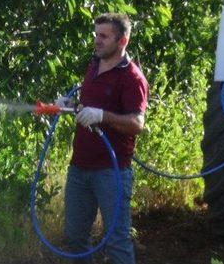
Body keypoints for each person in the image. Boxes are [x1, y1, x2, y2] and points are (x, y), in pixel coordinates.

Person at [60, 13, 148, 264]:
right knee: (75, 237)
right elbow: (86, 106)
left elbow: (137, 124)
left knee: (117, 242)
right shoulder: (93, 65)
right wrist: (70, 105)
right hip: (79, 168)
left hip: (111, 172)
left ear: (122, 41)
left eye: (103, 36)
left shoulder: (132, 78)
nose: (97, 41)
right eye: (96, 34)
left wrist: (102, 116)